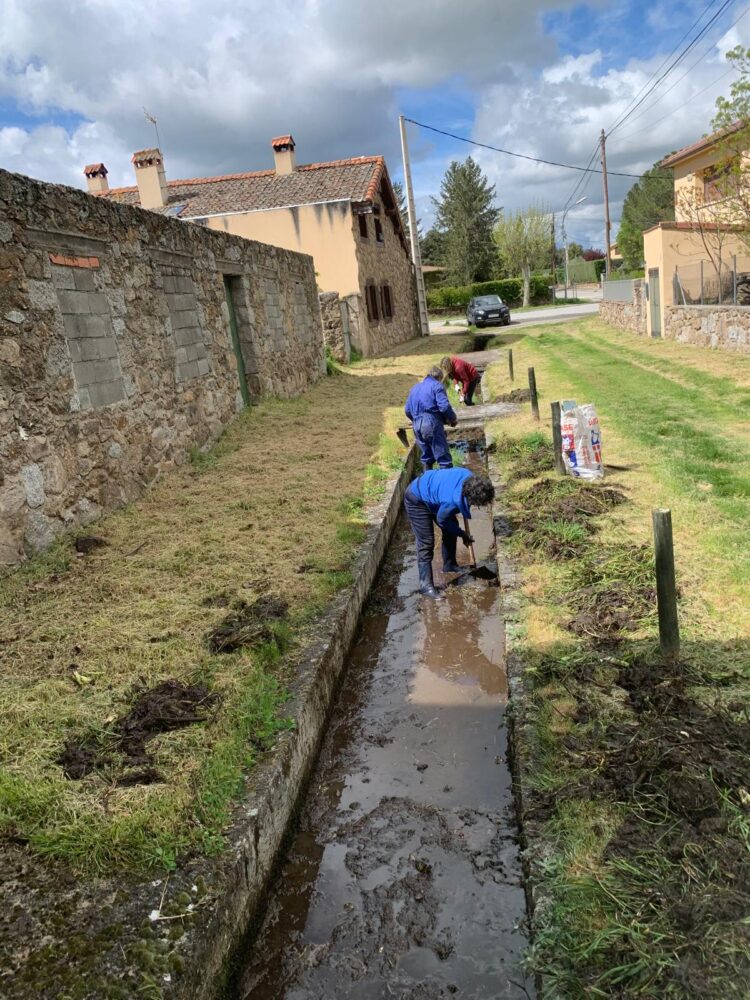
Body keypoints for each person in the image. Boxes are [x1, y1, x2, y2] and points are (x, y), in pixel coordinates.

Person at [404, 467, 495, 598]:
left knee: (452, 528)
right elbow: (442, 521)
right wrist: (462, 533)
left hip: (434, 494)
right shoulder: (451, 501)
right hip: (416, 499)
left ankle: (449, 565)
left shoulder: (470, 477)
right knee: (426, 542)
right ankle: (426, 586)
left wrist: (457, 530)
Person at [404, 365, 457, 470]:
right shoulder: (437, 386)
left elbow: (407, 410)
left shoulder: (415, 388)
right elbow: (444, 407)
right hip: (431, 423)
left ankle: (428, 482)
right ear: (439, 378)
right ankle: (447, 482)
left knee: (427, 458)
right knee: (443, 458)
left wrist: (416, 420)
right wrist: (452, 419)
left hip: (417, 425)